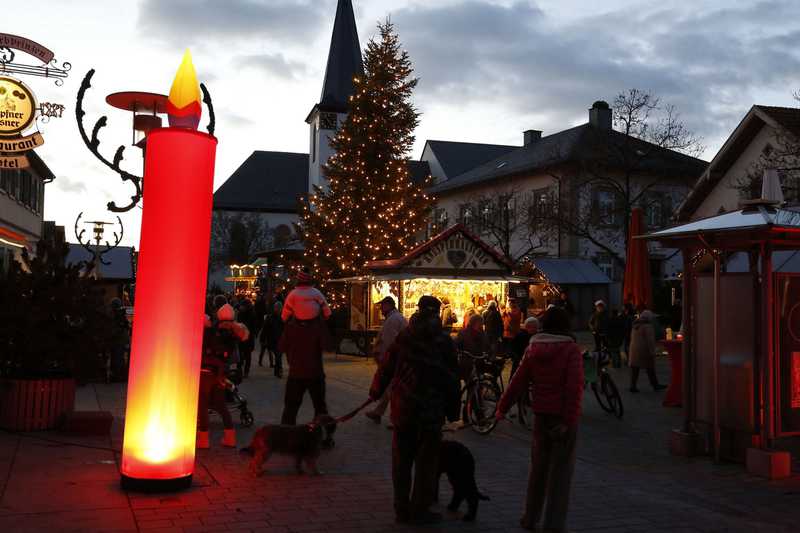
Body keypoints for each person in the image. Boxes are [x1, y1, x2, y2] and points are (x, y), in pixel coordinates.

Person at [370, 296, 460, 525]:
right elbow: (452, 379)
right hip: (431, 410)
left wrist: (376, 391)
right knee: (426, 464)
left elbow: (387, 367)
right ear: (438, 313)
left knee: (401, 462)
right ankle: (420, 508)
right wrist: (453, 412)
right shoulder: (444, 341)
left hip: (404, 407)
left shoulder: (405, 337)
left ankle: (401, 509)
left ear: (418, 311)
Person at [496, 307, 583, 532]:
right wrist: (569, 420)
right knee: (560, 475)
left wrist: (502, 407)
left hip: (541, 416)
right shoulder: (571, 349)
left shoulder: (533, 347)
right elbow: (574, 388)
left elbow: (518, 380)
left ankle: (530, 517)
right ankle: (553, 524)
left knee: (538, 471)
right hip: (562, 417)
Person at [278, 271, 332, 431]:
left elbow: (281, 346)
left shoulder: (290, 327)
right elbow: (328, 345)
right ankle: (324, 434)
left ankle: (286, 433)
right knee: (320, 407)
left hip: (296, 373)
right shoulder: (318, 326)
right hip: (315, 373)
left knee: (291, 407)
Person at [198, 303, 249, 449]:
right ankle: (230, 437)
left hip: (206, 372)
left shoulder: (211, 330)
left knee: (202, 405)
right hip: (221, 374)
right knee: (220, 404)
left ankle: (203, 439)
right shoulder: (234, 334)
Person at [366, 296, 408, 425]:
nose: (380, 309)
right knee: (390, 387)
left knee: (392, 388)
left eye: (382, 306)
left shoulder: (392, 320)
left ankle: (396, 418)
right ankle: (379, 412)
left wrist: (384, 358)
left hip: (393, 359)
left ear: (388, 305)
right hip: (398, 358)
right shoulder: (396, 317)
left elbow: (390, 342)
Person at [628, 309, 666, 393]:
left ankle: (632, 386)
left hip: (634, 349)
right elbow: (650, 341)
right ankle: (655, 385)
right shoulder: (648, 326)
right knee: (650, 368)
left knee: (635, 369)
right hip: (644, 350)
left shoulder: (635, 324)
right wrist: (653, 352)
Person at [236, 297, 258, 379]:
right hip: (241, 337)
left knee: (247, 355)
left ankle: (246, 371)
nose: (241, 307)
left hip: (248, 338)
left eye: (243, 306)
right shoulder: (240, 314)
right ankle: (240, 370)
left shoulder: (252, 315)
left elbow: (253, 327)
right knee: (241, 355)